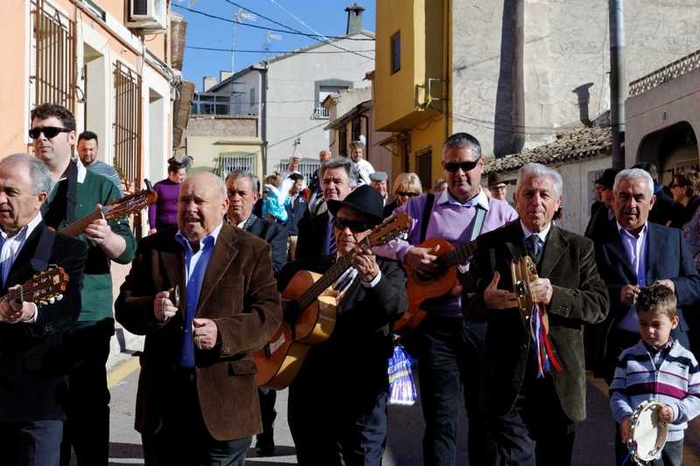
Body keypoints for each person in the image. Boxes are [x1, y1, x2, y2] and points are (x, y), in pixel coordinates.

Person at [115, 172, 282, 466]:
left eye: (199, 201)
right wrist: (151, 309)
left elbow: (268, 315)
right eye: (184, 200)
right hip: (164, 402)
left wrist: (223, 332)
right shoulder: (154, 248)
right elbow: (125, 306)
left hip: (225, 403)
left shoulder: (252, 250)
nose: (190, 208)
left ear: (223, 205)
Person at [378, 132, 517, 465]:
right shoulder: (419, 207)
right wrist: (407, 252)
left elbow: (520, 262)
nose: (460, 174)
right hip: (436, 327)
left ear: (481, 165)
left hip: (483, 326)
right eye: (452, 167)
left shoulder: (503, 216)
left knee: (484, 418)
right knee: (441, 420)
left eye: (467, 165)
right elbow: (377, 238)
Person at [464, 162, 609, 466]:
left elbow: (598, 305)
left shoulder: (579, 248)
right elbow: (468, 306)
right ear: (516, 199)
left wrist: (555, 295)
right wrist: (485, 300)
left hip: (560, 384)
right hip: (508, 382)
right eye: (529, 193)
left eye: (545, 194)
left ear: (558, 203)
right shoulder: (491, 246)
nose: (536, 201)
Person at [30, 103, 136, 466]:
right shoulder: (26, 183)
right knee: (43, 410)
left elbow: (127, 250)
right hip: (34, 313)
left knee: (88, 407)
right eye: (35, 133)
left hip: (85, 315)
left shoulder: (99, 187)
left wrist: (107, 237)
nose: (41, 139)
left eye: (50, 132)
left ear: (72, 138)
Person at [278, 185, 407, 465]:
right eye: (341, 223)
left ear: (376, 231)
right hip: (311, 394)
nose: (346, 232)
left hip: (360, 394)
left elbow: (396, 308)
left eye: (357, 226)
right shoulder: (308, 268)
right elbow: (268, 298)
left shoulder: (388, 270)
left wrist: (373, 279)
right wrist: (281, 306)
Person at [0, 154, 87, 466]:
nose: (0, 199)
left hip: (33, 404)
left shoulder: (65, 249)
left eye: (10, 192)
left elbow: (67, 309)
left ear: (39, 199)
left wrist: (31, 312)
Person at [595, 168, 700, 386]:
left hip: (670, 344)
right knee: (627, 417)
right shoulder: (597, 241)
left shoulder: (673, 237)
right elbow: (589, 289)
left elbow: (695, 283)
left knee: (671, 416)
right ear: (613, 200)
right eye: (624, 196)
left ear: (651, 202)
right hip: (622, 345)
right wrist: (618, 293)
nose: (631, 204)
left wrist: (673, 286)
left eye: (638, 197)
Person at [225, 170, 288, 456]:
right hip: (223, 319)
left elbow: (273, 272)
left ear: (256, 197)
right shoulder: (215, 230)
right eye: (230, 192)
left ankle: (265, 433)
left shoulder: (271, 232)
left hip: (257, 318)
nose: (235, 198)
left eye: (241, 193)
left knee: (261, 384)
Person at [609, 283, 700, 466]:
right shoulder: (628, 357)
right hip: (635, 438)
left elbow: (697, 397)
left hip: (671, 439)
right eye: (643, 323)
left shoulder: (687, 360)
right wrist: (626, 417)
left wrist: (675, 411)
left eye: (656, 324)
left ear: (674, 322)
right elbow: (617, 393)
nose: (649, 330)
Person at [295, 157, 356, 261]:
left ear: (352, 188)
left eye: (337, 181)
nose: (330, 186)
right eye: (326, 182)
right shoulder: (308, 226)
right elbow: (299, 267)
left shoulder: (361, 226)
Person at [148, 158, 186, 234]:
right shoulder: (159, 186)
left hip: (179, 226)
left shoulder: (184, 187)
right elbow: (152, 206)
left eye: (184, 174)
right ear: (172, 173)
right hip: (162, 226)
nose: (183, 177)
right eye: (181, 174)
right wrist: (152, 227)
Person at [585, 168, 619, 242]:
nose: (600, 192)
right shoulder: (598, 208)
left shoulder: (623, 211)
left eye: (602, 189)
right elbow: (589, 234)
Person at [284, 173, 306, 261]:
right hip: (284, 234)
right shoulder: (282, 197)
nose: (300, 187)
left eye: (301, 185)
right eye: (299, 185)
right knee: (282, 260)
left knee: (295, 260)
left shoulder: (304, 198)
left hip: (297, 235)